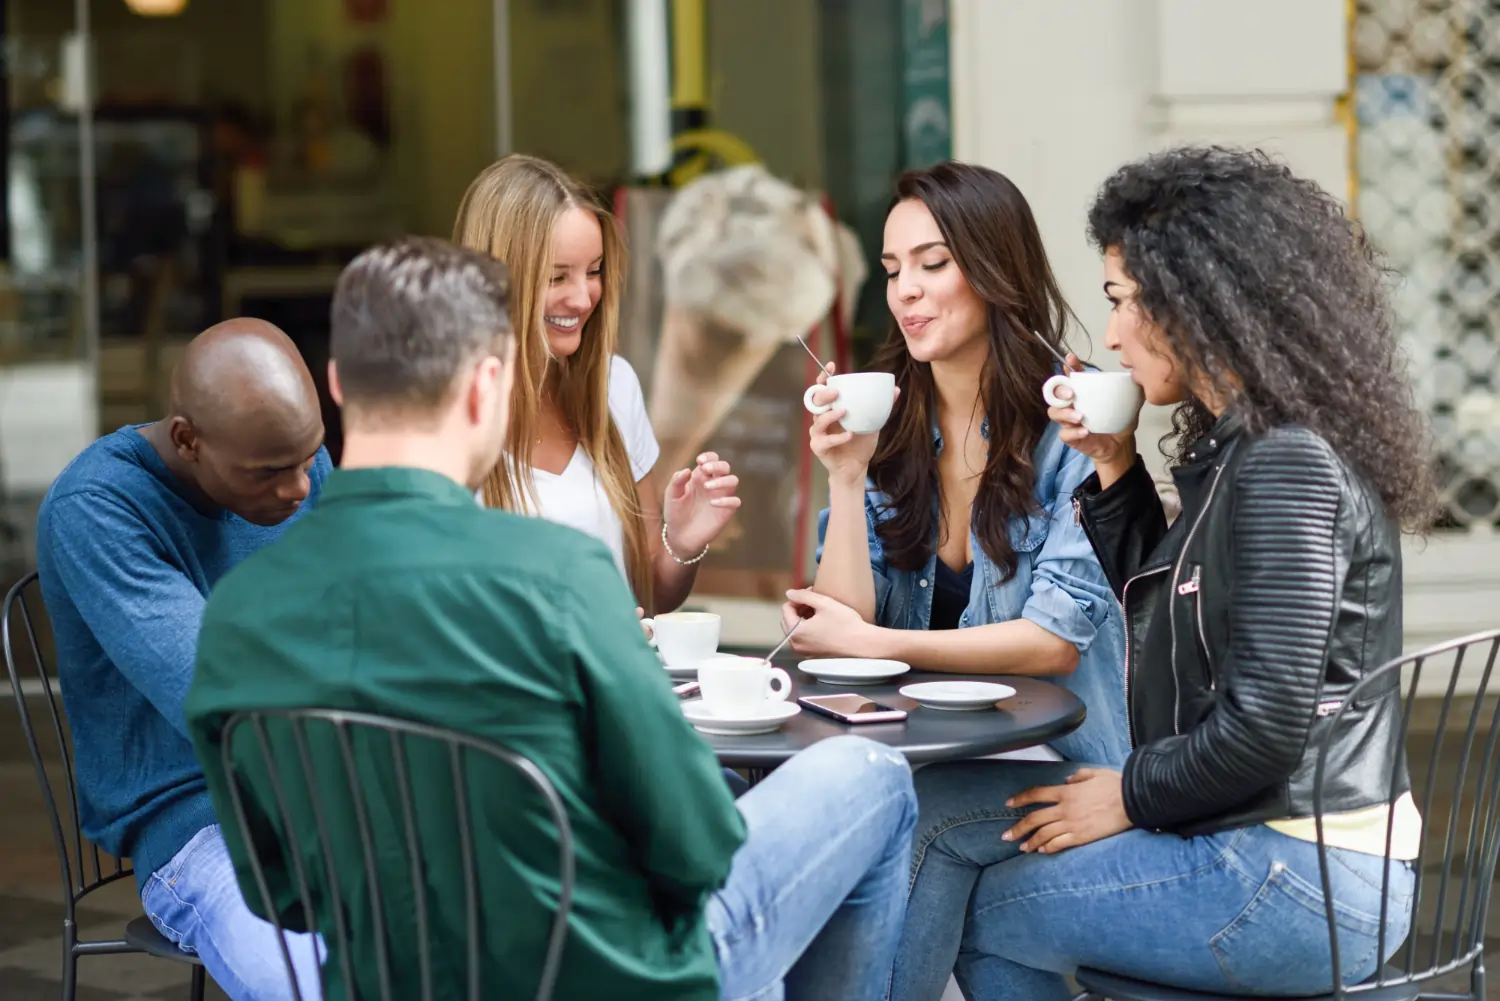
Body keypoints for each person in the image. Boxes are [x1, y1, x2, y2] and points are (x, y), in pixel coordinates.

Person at [185, 236, 917, 1001]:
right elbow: (697, 846)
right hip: (609, 980)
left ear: (338, 382)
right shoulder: (557, 574)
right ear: (488, 385)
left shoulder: (239, 613)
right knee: (870, 773)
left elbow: (283, 893)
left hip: (396, 984)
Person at [889, 145, 1431, 1001]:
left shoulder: (1286, 464)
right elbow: (1169, 596)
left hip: (1299, 873)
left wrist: (1129, 797)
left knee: (992, 913)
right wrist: (1114, 465)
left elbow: (1266, 728)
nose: (1110, 335)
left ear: (1194, 300)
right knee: (941, 809)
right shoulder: (1246, 447)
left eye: (1122, 300)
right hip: (1266, 842)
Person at [783, 160, 1130, 768]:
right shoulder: (885, 414)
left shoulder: (1076, 417)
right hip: (914, 752)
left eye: (933, 263)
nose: (905, 290)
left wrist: (876, 643)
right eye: (893, 271)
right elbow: (843, 631)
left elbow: (1054, 643)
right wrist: (846, 476)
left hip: (1055, 761)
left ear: (996, 269)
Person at [34, 318, 329, 1001]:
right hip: (202, 816)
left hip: (328, 780)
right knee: (312, 982)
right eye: (269, 472)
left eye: (310, 456)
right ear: (188, 439)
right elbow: (226, 697)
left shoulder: (294, 458)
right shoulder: (98, 507)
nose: (299, 489)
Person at [453, 154, 739, 615]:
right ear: (498, 280)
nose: (584, 297)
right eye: (557, 277)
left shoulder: (614, 384)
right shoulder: (447, 413)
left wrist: (683, 543)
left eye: (594, 271)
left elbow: (650, 594)